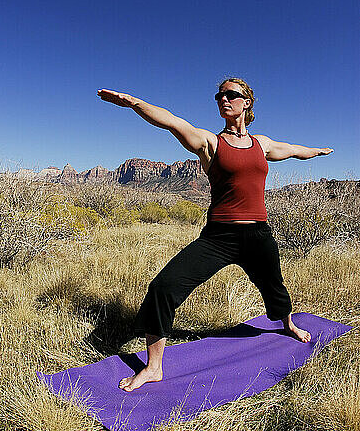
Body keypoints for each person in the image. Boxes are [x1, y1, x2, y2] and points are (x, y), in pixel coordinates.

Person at [97, 77, 333, 392]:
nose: (223, 99)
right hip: (218, 238)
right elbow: (171, 121)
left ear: (246, 102)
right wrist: (132, 102)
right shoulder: (210, 142)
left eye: (231, 94)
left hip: (257, 235)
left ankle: (287, 324)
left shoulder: (261, 144)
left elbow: (292, 151)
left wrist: (317, 151)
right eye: (219, 95)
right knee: (163, 287)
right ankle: (154, 368)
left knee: (274, 287)